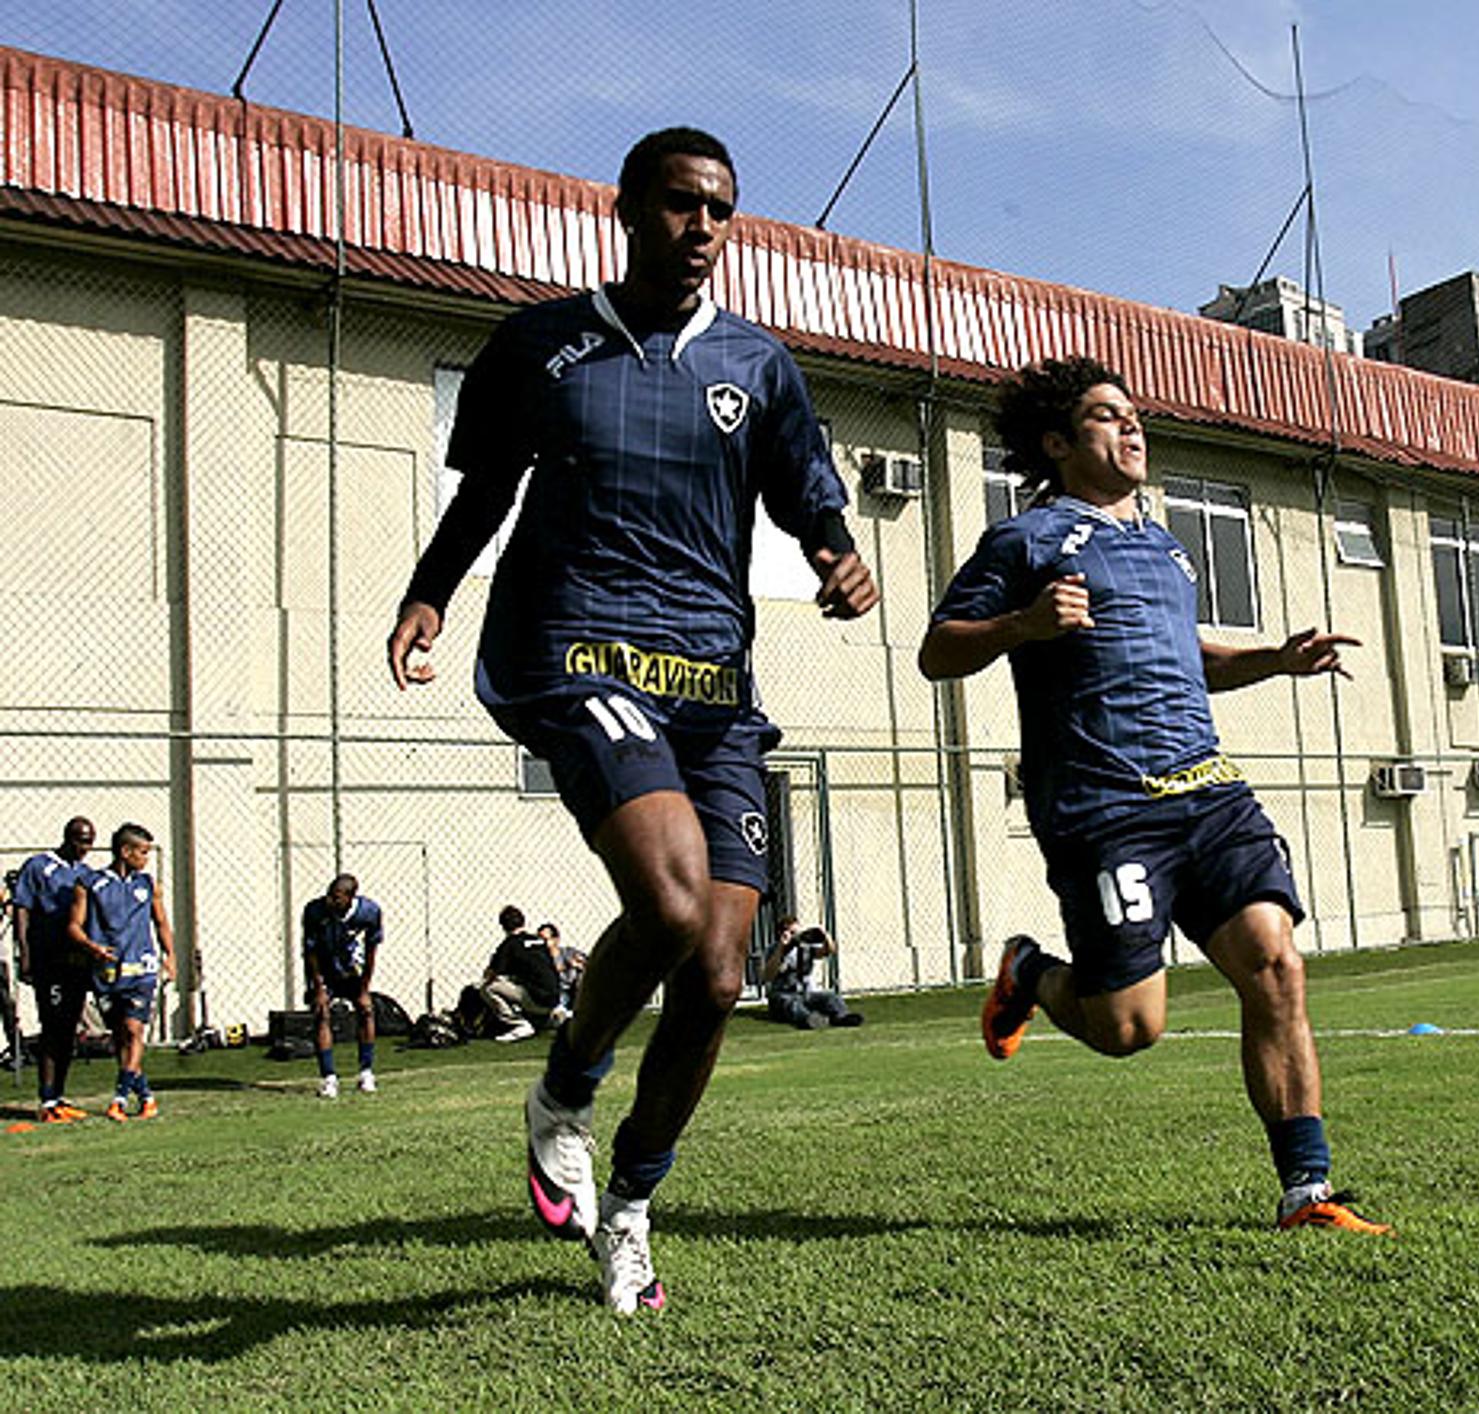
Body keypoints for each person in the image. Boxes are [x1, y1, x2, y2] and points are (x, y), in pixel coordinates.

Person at [387, 126, 878, 1314]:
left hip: (713, 684)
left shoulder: (758, 366)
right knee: (663, 901)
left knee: (716, 973)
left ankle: (632, 1208)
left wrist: (838, 551)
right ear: (624, 209)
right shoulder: (540, 345)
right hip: (579, 646)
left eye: (721, 209)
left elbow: (806, 489)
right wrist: (428, 593)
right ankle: (565, 1087)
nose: (701, 228)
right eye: (678, 204)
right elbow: (484, 494)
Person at [918, 356, 1391, 1237]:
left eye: (1134, 416)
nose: (1131, 429)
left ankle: (1307, 1194)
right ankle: (1030, 972)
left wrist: (1276, 661)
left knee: (1276, 966)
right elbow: (939, 649)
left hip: (1208, 791)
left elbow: (1191, 662)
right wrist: (1021, 626)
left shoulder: (1167, 547)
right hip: (1107, 808)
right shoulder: (1024, 541)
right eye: (1106, 417)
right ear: (1058, 444)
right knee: (1130, 1028)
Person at [68, 822, 173, 1122]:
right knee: (119, 1037)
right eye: (142, 852)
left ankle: (119, 1098)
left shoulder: (148, 884)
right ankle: (146, 1097)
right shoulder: (89, 883)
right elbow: (74, 926)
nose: (146, 859)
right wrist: (92, 947)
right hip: (107, 972)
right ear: (125, 852)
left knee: (134, 1029)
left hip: (141, 969)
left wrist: (171, 956)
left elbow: (161, 923)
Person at [10, 818, 96, 1121]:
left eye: (89, 842)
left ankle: (58, 1096)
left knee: (70, 1030)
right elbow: (22, 908)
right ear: (68, 838)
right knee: (52, 1028)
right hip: (48, 960)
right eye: (81, 841)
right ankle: (46, 1101)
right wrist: (25, 952)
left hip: (75, 962)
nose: (85, 848)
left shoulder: (85, 874)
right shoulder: (38, 866)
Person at [300, 874, 385, 1098]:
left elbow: (371, 949)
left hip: (351, 969)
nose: (331, 902)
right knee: (322, 1013)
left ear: (350, 898)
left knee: (366, 1010)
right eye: (329, 896)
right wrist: (318, 987)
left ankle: (366, 1072)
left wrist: (365, 988)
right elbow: (310, 951)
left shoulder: (369, 912)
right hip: (324, 969)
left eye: (336, 898)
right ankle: (329, 1077)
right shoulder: (315, 911)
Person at [762, 916, 862, 1029]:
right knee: (793, 1005)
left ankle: (842, 1017)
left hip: (806, 993)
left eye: (797, 932)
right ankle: (810, 1019)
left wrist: (825, 936)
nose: (796, 936)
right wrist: (781, 947)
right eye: (792, 932)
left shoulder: (805, 948)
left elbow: (828, 951)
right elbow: (767, 975)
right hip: (783, 996)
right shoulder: (773, 950)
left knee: (831, 997)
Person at [483, 906, 563, 1042]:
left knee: (488, 988)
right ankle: (553, 1015)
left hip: (536, 999)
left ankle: (519, 1024)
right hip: (555, 997)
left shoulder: (509, 945)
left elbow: (492, 974)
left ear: (503, 926)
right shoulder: (539, 941)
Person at [544, 923, 587, 1023]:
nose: (543, 943)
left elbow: (587, 963)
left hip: (574, 990)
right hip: (558, 993)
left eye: (546, 939)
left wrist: (578, 965)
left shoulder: (568, 952)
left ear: (556, 939)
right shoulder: (540, 958)